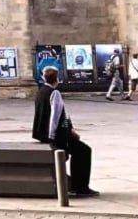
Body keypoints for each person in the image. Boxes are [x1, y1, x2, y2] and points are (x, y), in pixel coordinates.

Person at [32, 66, 98, 196]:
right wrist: (55, 137)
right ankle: (80, 186)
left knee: (81, 150)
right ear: (57, 78)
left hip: (43, 133)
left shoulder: (41, 91)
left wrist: (69, 128)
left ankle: (76, 184)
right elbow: (55, 117)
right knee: (84, 151)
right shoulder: (54, 93)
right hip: (57, 135)